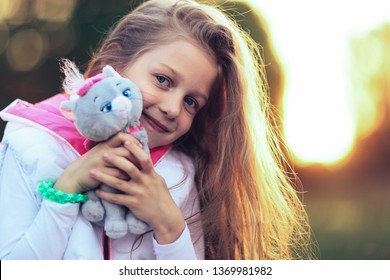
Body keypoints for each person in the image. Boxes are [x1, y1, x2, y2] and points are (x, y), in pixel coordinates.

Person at [0, 0, 315, 260]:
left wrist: (169, 225)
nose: (173, 108)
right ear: (115, 63)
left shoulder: (179, 176)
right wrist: (64, 190)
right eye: (163, 80)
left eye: (192, 101)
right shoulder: (32, 145)